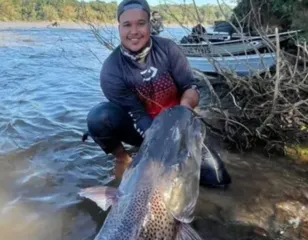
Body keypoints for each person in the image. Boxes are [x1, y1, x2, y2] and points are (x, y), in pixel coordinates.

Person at [85, 0, 231, 188]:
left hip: (178, 123)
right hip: (142, 125)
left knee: (220, 181)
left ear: (150, 24)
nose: (134, 31)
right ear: (119, 27)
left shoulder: (169, 49)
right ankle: (123, 158)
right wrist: (158, 151)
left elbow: (191, 87)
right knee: (99, 118)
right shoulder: (111, 69)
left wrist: (183, 114)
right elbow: (137, 114)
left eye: (141, 23)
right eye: (127, 25)